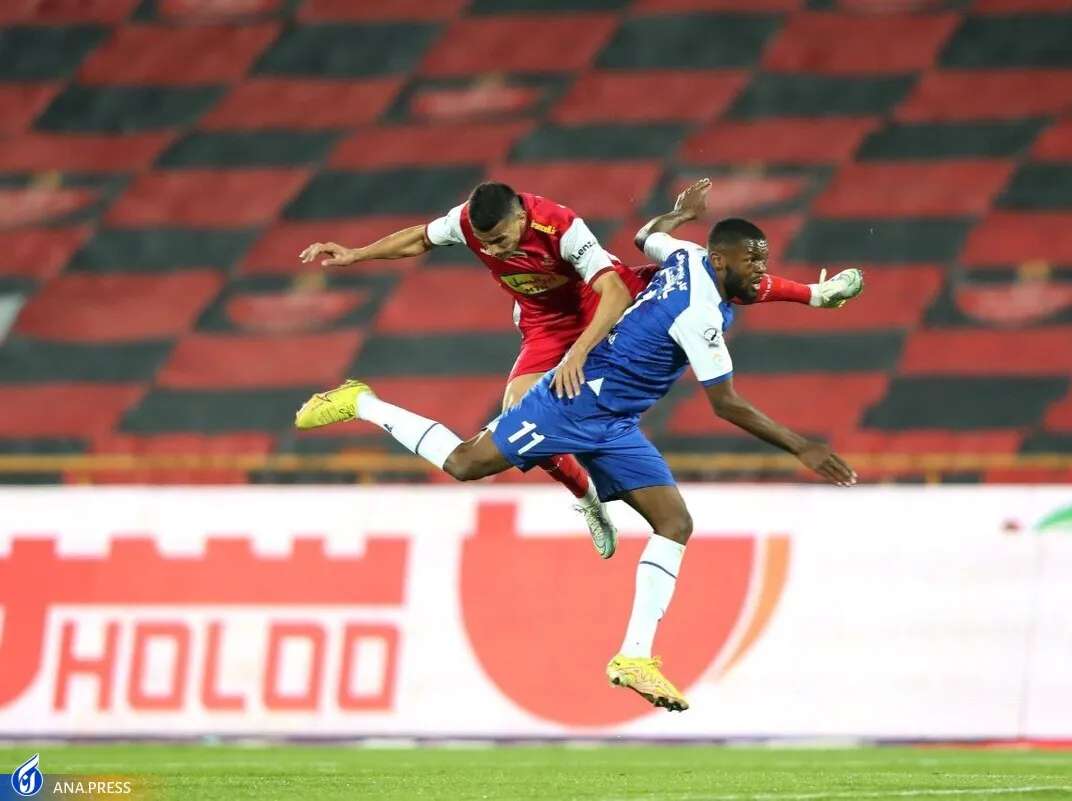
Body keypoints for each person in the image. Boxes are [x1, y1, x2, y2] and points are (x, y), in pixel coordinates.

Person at [294, 209, 860, 713]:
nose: (761, 270)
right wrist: (802, 446)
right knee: (465, 463)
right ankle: (361, 401)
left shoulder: (688, 256)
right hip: (574, 401)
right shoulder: (699, 314)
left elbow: (648, 236)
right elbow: (726, 404)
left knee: (674, 523)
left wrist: (683, 218)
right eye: (752, 260)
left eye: (763, 258)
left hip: (616, 423)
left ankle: (634, 657)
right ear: (720, 260)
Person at [299, 179, 863, 561]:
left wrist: (579, 354)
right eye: (486, 243)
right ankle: (590, 499)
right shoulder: (469, 224)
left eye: (502, 238)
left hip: (603, 305)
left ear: (522, 215)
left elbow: (614, 289)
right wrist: (355, 254)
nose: (494, 249)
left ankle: (817, 293)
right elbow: (418, 239)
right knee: (519, 416)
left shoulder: (562, 226)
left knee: (708, 282)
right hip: (546, 325)